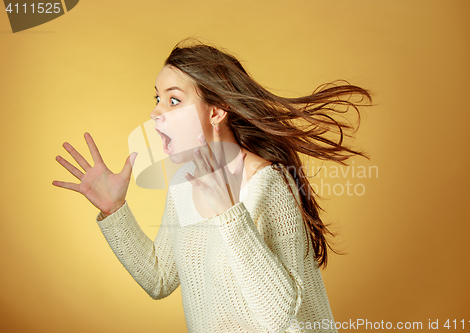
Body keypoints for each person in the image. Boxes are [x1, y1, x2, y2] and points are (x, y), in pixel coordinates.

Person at [53, 39, 371, 333]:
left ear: (216, 111)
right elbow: (160, 279)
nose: (155, 112)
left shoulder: (267, 183)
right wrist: (115, 209)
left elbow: (280, 316)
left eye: (174, 100)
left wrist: (231, 215)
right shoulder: (183, 183)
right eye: (158, 98)